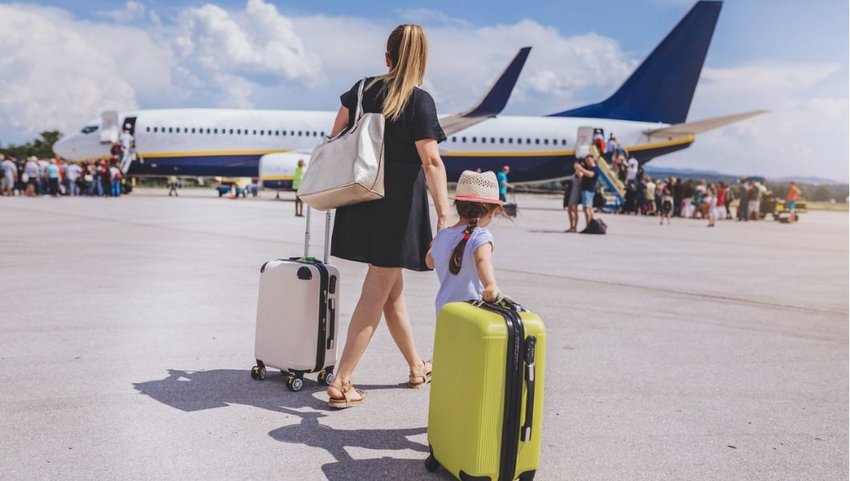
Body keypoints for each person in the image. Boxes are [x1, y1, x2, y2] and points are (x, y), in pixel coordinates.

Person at [325, 24, 450, 409]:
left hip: (362, 199)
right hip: (398, 210)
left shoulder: (362, 89)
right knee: (377, 290)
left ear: (387, 57)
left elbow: (336, 135)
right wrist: (445, 215)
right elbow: (431, 161)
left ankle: (416, 366)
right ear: (422, 59)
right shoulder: (420, 101)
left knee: (391, 289)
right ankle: (342, 380)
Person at [426, 170, 503, 313]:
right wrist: (490, 284)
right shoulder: (480, 236)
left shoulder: (443, 235)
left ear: (457, 206)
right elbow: (482, 260)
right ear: (491, 213)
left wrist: (437, 240)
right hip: (472, 312)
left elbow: (429, 262)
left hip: (445, 312)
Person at [574, 154, 597, 227]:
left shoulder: (595, 168)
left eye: (588, 160)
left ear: (592, 160)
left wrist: (581, 168)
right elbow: (580, 175)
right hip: (585, 190)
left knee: (587, 208)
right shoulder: (588, 168)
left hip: (589, 190)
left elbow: (590, 174)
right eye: (586, 161)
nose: (587, 162)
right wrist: (577, 169)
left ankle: (589, 226)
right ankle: (590, 225)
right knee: (587, 208)